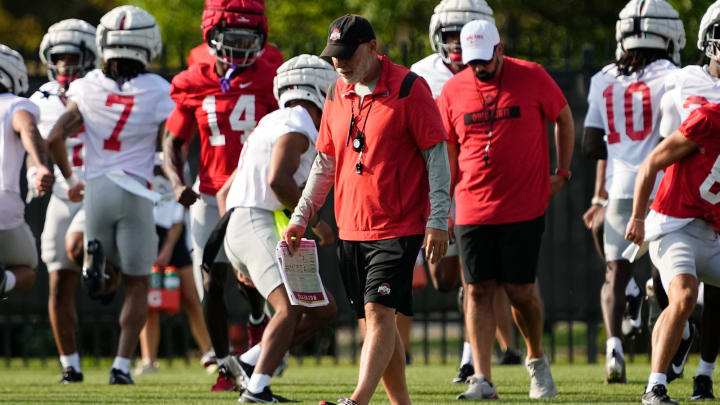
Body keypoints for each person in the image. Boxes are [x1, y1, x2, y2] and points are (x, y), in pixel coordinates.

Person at [284, 14, 451, 405]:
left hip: (399, 226)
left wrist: (438, 219)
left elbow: (437, 158)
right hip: (350, 227)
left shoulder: (411, 88)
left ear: (373, 48)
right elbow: (325, 163)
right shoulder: (334, 94)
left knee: (378, 312)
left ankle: (357, 400)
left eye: (346, 54)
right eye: (333, 56)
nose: (339, 63)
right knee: (378, 321)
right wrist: (301, 216)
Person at [437, 19, 574, 400]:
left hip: (523, 205)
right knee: (477, 291)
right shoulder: (451, 90)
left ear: (499, 49)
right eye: (472, 61)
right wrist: (443, 207)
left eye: (485, 59)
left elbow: (563, 117)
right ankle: (483, 378)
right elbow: (447, 150)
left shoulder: (531, 76)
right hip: (470, 207)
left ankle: (536, 361)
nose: (479, 67)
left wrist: (561, 172)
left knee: (520, 291)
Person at [48, 5, 173, 385]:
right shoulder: (158, 90)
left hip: (97, 188)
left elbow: (53, 137)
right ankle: (121, 365)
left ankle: (95, 265)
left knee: (101, 262)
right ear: (148, 43)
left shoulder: (86, 87)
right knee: (138, 282)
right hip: (137, 190)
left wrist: (70, 178)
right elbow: (171, 144)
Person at [162, 0, 278, 392]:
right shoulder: (194, 80)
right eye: (233, 39)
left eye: (249, 39)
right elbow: (173, 141)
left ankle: (258, 320)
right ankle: (225, 362)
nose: (241, 48)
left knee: (252, 282)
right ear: (211, 37)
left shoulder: (272, 76)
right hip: (210, 195)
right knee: (212, 280)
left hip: (255, 195)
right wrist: (178, 182)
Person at [215, 54, 339, 403]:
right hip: (255, 222)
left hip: (243, 223)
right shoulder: (299, 121)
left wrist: (239, 249)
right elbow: (278, 180)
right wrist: (316, 223)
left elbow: (226, 192)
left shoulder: (272, 120)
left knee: (322, 309)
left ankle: (248, 362)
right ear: (319, 89)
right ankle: (257, 389)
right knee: (290, 308)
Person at [411, 0, 522, 380]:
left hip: (479, 187)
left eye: (466, 37)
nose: (459, 46)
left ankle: (470, 355)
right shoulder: (420, 74)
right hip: (437, 187)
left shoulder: (500, 72)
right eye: (451, 37)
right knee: (445, 278)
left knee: (478, 279)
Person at [581, 0, 685, 384]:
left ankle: (613, 350)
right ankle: (673, 346)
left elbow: (591, 145)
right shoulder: (674, 75)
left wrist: (622, 148)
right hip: (661, 187)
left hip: (620, 186)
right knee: (668, 274)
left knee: (615, 274)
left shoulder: (603, 77)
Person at [625, 101, 720, 405]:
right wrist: (637, 217)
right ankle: (655, 387)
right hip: (675, 226)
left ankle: (685, 348)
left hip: (713, 234)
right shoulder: (707, 120)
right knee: (685, 295)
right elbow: (652, 161)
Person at [650, 1, 720, 398]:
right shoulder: (685, 81)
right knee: (684, 293)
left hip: (717, 213)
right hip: (682, 211)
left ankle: (705, 372)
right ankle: (663, 370)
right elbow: (663, 150)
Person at [27, 18, 98, 384]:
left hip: (98, 190)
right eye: (60, 58)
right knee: (58, 282)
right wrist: (35, 174)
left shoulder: (102, 90)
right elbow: (31, 149)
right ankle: (70, 364)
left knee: (84, 251)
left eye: (73, 58)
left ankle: (103, 273)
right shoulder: (39, 100)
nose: (66, 66)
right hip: (60, 194)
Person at [134, 159, 215, 376]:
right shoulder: (139, 155)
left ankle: (209, 353)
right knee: (147, 302)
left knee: (191, 298)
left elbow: (180, 207)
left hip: (173, 234)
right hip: (145, 230)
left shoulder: (173, 157)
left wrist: (167, 247)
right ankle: (148, 360)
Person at [0, 44, 53, 300]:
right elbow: (27, 128)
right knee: (27, 270)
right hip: (3, 204)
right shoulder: (14, 105)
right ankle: (4, 281)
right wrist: (41, 164)